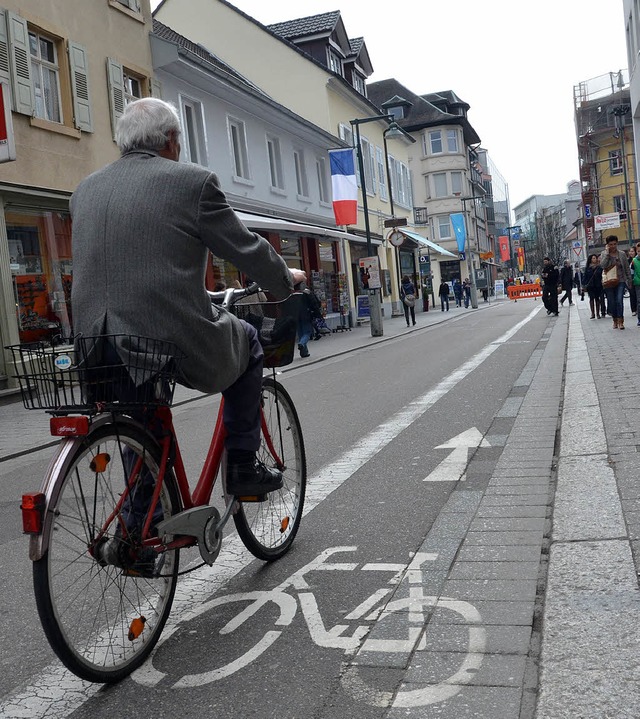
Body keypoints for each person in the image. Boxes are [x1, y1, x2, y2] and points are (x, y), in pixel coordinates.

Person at [70, 98, 306, 497]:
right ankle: (244, 467)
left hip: (95, 342)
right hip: (161, 334)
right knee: (247, 341)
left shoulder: (84, 191)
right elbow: (243, 246)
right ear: (172, 139)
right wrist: (285, 279)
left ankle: (144, 533)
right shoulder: (191, 182)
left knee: (138, 425)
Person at [600, 234, 632, 329]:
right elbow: (603, 265)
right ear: (607, 245)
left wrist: (629, 280)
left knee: (619, 300)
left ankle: (621, 321)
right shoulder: (604, 254)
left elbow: (626, 268)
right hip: (609, 282)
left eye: (614, 244)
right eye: (610, 244)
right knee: (612, 302)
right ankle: (614, 319)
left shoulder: (621, 254)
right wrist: (607, 253)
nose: (613, 246)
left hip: (620, 280)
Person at [582, 254, 603, 319]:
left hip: (598, 285)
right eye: (593, 258)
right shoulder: (588, 268)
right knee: (591, 298)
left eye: (595, 258)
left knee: (597, 298)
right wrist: (583, 285)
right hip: (590, 286)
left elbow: (601, 275)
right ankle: (592, 313)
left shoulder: (599, 267)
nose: (595, 259)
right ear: (590, 260)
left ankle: (598, 313)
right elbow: (585, 277)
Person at [628, 246, 638, 317]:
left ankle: (637, 308)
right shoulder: (628, 260)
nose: (631, 253)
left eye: (632, 251)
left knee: (637, 294)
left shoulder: (637, 260)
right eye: (630, 251)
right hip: (630, 279)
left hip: (636, 279)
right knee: (632, 294)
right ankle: (633, 309)